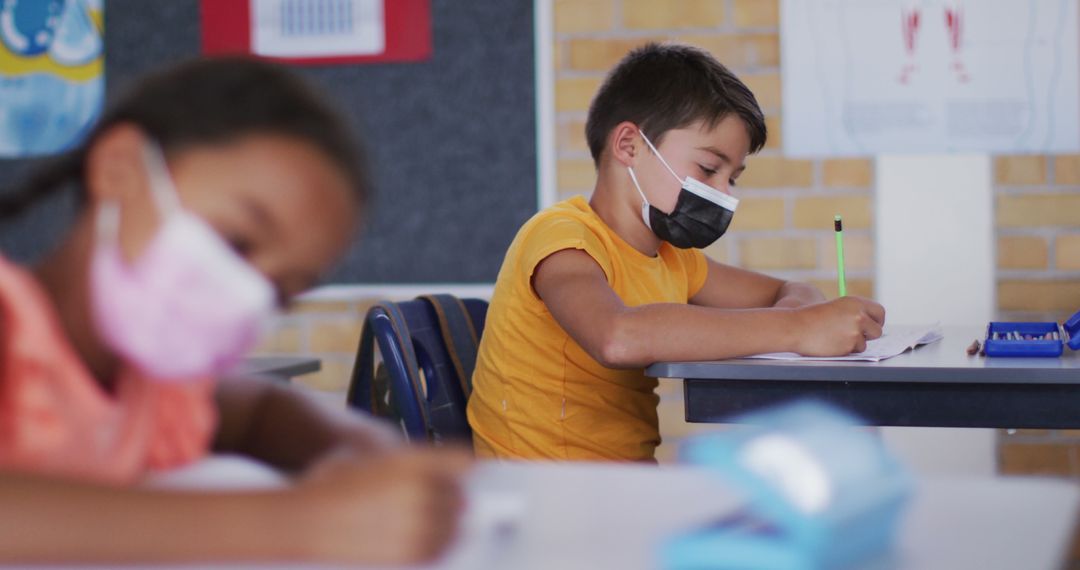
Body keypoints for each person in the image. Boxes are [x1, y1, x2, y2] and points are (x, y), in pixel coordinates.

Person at [0, 57, 468, 564]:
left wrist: (363, 447)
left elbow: (255, 411)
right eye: (237, 241)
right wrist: (294, 522)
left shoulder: (151, 384)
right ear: (120, 168)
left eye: (281, 289)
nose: (249, 292)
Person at [467, 43, 886, 462]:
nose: (722, 193)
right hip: (546, 494)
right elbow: (617, 337)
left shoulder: (673, 258)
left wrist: (802, 319)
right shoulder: (561, 238)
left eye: (732, 179)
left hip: (613, 485)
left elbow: (792, 289)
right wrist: (797, 329)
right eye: (708, 169)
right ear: (629, 146)